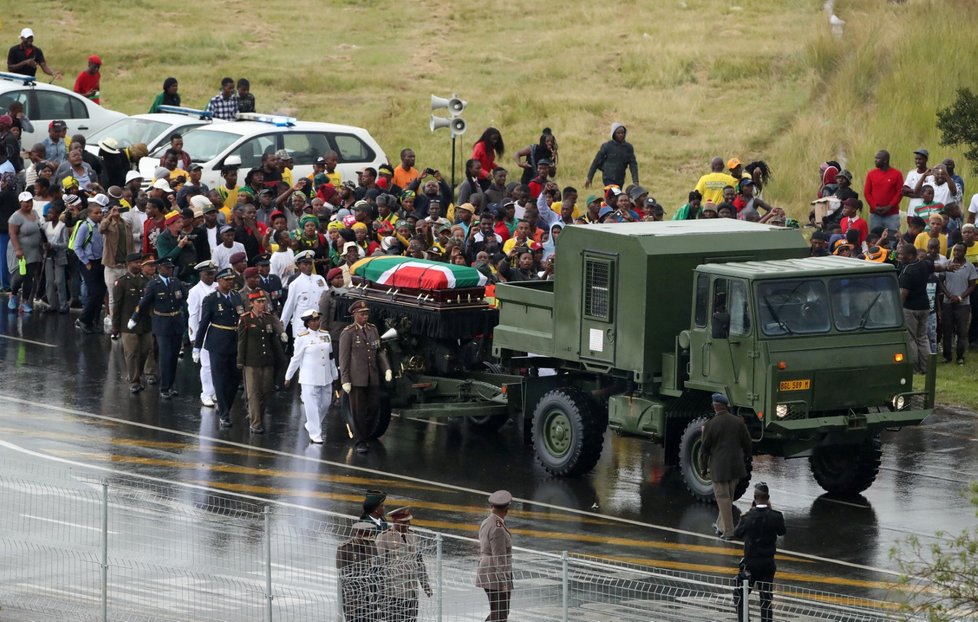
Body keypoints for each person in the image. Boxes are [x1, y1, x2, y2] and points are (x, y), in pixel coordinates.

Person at [339, 300, 393, 454]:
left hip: (372, 377)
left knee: (374, 408)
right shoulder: (348, 333)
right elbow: (344, 358)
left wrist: (386, 369)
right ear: (354, 315)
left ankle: (365, 434)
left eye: (366, 313)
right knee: (358, 411)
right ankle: (360, 441)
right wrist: (345, 379)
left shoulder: (372, 330)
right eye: (362, 314)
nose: (365, 316)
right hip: (357, 378)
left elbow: (379, 351)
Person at [129, 257, 187, 399]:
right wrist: (134, 318)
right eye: (167, 268)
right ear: (160, 267)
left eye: (171, 268)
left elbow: (185, 299)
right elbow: (143, 303)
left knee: (173, 356)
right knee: (166, 356)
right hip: (162, 323)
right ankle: (164, 387)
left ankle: (171, 384)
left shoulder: (175, 282)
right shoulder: (154, 284)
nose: (170, 270)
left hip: (176, 322)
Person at [194, 267, 244, 428]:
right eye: (227, 280)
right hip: (218, 343)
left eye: (232, 279)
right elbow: (203, 324)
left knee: (235, 379)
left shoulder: (236, 296)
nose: (230, 282)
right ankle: (224, 413)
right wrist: (197, 346)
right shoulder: (211, 299)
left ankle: (225, 407)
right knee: (220, 380)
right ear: (219, 281)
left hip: (235, 342)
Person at [700, 393, 752, 540]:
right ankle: (720, 525)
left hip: (719, 469)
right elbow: (747, 443)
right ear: (726, 406)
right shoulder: (738, 422)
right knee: (727, 497)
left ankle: (728, 531)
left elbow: (704, 450)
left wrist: (703, 468)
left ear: (714, 406)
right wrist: (747, 457)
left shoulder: (710, 425)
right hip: (735, 467)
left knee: (723, 498)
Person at [731, 482, 786, 622]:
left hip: (751, 564)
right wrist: (770, 510)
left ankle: (744, 620)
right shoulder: (776, 516)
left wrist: (751, 512)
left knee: (739, 594)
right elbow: (782, 531)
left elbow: (737, 533)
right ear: (768, 498)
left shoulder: (747, 517)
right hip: (768, 563)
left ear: (754, 498)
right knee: (766, 599)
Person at [284, 309, 339, 444]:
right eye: (313, 320)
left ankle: (312, 424)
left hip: (325, 376)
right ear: (307, 323)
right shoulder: (302, 338)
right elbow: (296, 359)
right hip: (309, 378)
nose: (317, 322)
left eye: (318, 319)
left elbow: (330, 356)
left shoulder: (326, 335)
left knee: (326, 404)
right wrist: (288, 376)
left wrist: (334, 373)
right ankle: (315, 434)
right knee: (312, 406)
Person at [236, 290, 285, 434]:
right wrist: (240, 361)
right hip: (251, 362)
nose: (262, 304)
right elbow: (241, 342)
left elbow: (273, 334)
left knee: (265, 391)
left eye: (264, 301)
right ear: (251, 304)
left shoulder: (268, 318)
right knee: (253, 392)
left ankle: (254, 415)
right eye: (259, 302)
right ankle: (256, 423)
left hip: (267, 361)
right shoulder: (245, 319)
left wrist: (282, 334)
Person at [376, 507, 432, 622]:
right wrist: (379, 594)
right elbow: (378, 567)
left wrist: (425, 584)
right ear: (394, 522)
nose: (408, 525)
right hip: (393, 592)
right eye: (404, 522)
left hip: (411, 592)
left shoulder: (414, 536)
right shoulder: (384, 538)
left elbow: (419, 562)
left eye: (408, 521)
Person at [112, 252, 154, 393]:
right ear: (127, 265)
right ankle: (134, 380)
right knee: (131, 353)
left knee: (145, 351)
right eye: (135, 263)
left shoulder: (147, 281)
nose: (138, 265)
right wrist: (115, 326)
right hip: (128, 324)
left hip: (145, 323)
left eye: (139, 262)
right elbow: (117, 306)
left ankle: (139, 374)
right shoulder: (121, 282)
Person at [475, 490, 513, 622]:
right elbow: (499, 557)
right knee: (500, 615)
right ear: (507, 509)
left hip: (487, 572)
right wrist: (505, 582)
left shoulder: (487, 521)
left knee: (498, 613)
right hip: (494, 576)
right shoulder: (498, 528)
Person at [939, 244, 977, 365]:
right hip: (947, 303)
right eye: (955, 250)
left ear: (964, 252)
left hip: (963, 304)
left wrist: (960, 297)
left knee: (962, 331)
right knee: (947, 330)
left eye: (959, 251)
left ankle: (960, 356)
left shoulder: (969, 267)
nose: (956, 253)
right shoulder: (947, 265)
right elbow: (940, 282)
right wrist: (949, 295)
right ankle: (947, 356)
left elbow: (972, 285)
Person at [188, 260, 219, 407]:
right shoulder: (195, 291)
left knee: (217, 364)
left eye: (213, 274)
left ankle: (214, 391)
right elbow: (193, 315)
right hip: (204, 331)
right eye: (208, 274)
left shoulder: (218, 288)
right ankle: (206, 393)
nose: (211, 277)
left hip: (218, 330)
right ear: (201, 274)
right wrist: (194, 338)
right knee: (206, 365)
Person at [337, 521, 381, 622]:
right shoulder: (345, 548)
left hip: (370, 595)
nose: (369, 538)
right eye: (366, 535)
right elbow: (342, 575)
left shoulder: (372, 546)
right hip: (353, 596)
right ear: (357, 534)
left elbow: (376, 569)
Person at [6, 191, 43, 313]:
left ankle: (25, 302)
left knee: (29, 277)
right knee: (20, 275)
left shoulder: (35, 213)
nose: (29, 204)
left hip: (34, 251)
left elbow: (39, 228)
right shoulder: (16, 216)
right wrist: (18, 249)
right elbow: (12, 233)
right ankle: (13, 294)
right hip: (20, 251)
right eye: (26, 202)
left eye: (30, 201)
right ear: (20, 202)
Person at [73, 202, 106, 333]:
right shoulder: (85, 227)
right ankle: (83, 319)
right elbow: (77, 246)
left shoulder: (100, 226)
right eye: (96, 213)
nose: (99, 215)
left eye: (100, 212)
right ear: (89, 214)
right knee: (94, 293)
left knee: (101, 292)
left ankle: (94, 320)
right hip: (89, 263)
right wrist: (86, 261)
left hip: (100, 262)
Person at [280, 250, 327, 336]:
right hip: (302, 326)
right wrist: (282, 329)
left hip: (319, 323)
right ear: (298, 265)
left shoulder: (320, 279)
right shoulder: (295, 284)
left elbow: (327, 299)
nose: (308, 266)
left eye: (310, 263)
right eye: (305, 264)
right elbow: (289, 306)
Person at [585, 123, 638, 189]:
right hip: (608, 178)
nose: (621, 135)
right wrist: (589, 178)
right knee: (613, 194)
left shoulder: (628, 147)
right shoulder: (607, 146)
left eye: (622, 133)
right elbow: (596, 162)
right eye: (618, 133)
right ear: (614, 134)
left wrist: (635, 181)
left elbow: (633, 164)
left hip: (620, 178)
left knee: (617, 196)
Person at [864, 150, 904, 238]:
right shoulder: (871, 174)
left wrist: (890, 206)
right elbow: (867, 193)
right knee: (875, 238)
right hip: (875, 214)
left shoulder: (897, 174)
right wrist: (874, 206)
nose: (875, 160)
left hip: (892, 214)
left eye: (878, 158)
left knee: (893, 238)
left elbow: (900, 192)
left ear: (885, 160)